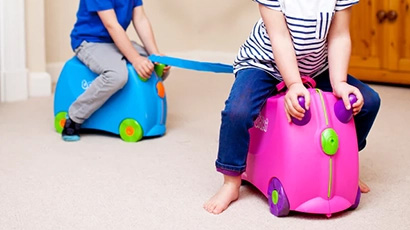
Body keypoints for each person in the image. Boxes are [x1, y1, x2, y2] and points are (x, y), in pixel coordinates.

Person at [204, 0, 380, 214]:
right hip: (264, 64)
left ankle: (345, 165)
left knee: (369, 102)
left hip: (316, 68)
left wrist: (340, 83)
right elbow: (280, 38)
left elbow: (339, 36)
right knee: (237, 111)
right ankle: (231, 181)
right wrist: (294, 84)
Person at [62, 0, 170, 141]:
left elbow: (140, 19)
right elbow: (111, 25)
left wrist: (155, 54)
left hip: (114, 41)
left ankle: (136, 109)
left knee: (158, 67)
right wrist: (136, 59)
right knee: (117, 75)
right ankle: (74, 117)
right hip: (90, 42)